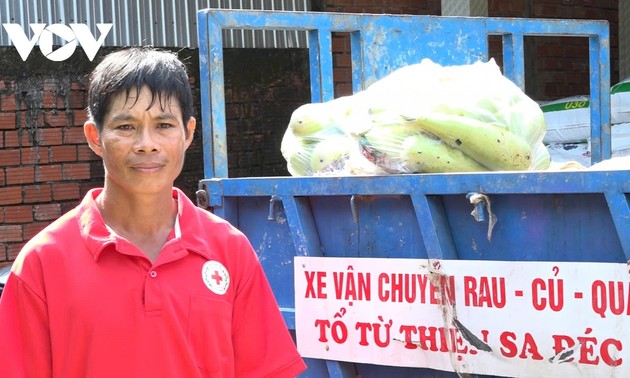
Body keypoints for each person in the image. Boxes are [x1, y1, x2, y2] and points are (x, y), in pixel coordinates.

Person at [0, 47, 307, 377]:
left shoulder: (229, 249)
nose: (147, 143)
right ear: (95, 137)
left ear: (188, 133)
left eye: (163, 124)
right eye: (126, 127)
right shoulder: (43, 262)